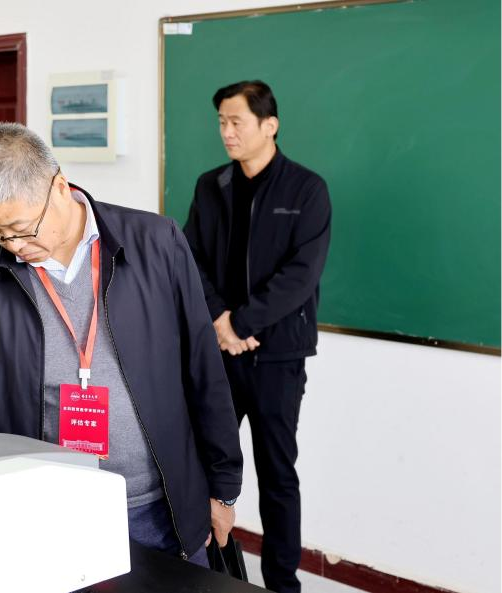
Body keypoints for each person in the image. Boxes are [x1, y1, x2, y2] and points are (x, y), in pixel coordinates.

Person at [0, 122, 242, 566]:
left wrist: (223, 487)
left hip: (160, 506)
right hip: (43, 507)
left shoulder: (156, 241)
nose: (14, 247)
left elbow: (203, 369)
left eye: (22, 228)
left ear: (59, 186)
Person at [183, 80, 331, 592]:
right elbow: (190, 258)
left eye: (236, 122)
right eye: (221, 122)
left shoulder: (306, 189)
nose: (227, 132)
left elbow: (301, 275)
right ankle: (203, 569)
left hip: (278, 355)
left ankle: (282, 585)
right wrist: (220, 320)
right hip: (219, 351)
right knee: (203, 462)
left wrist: (240, 325)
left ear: (270, 125)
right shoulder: (211, 185)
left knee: (276, 474)